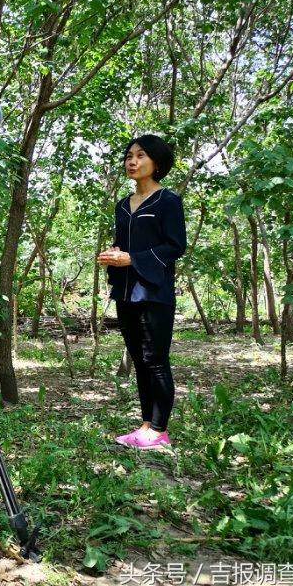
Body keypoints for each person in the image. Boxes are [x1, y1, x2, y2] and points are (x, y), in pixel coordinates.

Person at [97, 134, 186, 450]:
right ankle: (146, 425)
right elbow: (125, 245)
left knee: (156, 359)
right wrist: (114, 255)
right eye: (128, 156)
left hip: (155, 291)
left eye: (140, 156)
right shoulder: (123, 205)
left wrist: (132, 258)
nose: (132, 161)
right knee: (138, 357)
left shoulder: (168, 201)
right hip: (125, 290)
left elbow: (175, 246)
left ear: (157, 163)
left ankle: (160, 430)